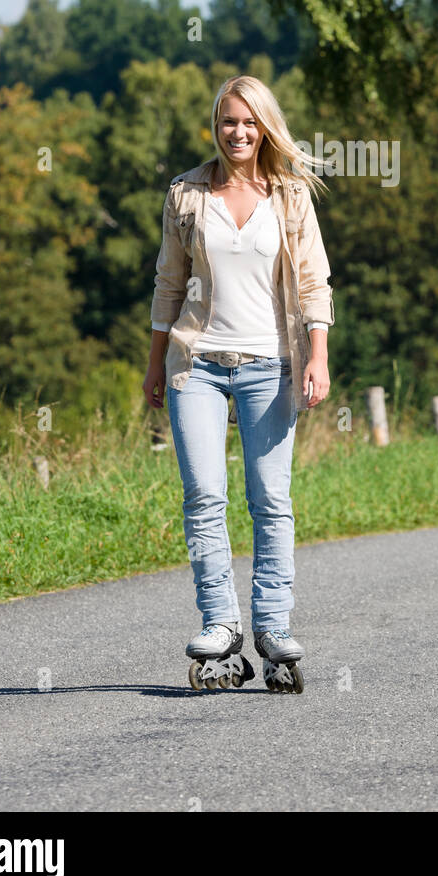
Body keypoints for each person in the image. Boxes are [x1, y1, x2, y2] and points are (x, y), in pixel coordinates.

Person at [143, 74, 334, 693]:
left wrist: (317, 356)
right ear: (216, 126)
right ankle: (220, 624)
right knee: (203, 498)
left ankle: (274, 627)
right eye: (229, 121)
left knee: (270, 500)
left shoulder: (290, 194)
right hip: (195, 364)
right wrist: (154, 363)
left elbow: (313, 282)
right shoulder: (185, 194)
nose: (239, 132)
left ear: (265, 126)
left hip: (270, 364)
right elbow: (169, 285)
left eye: (249, 122)